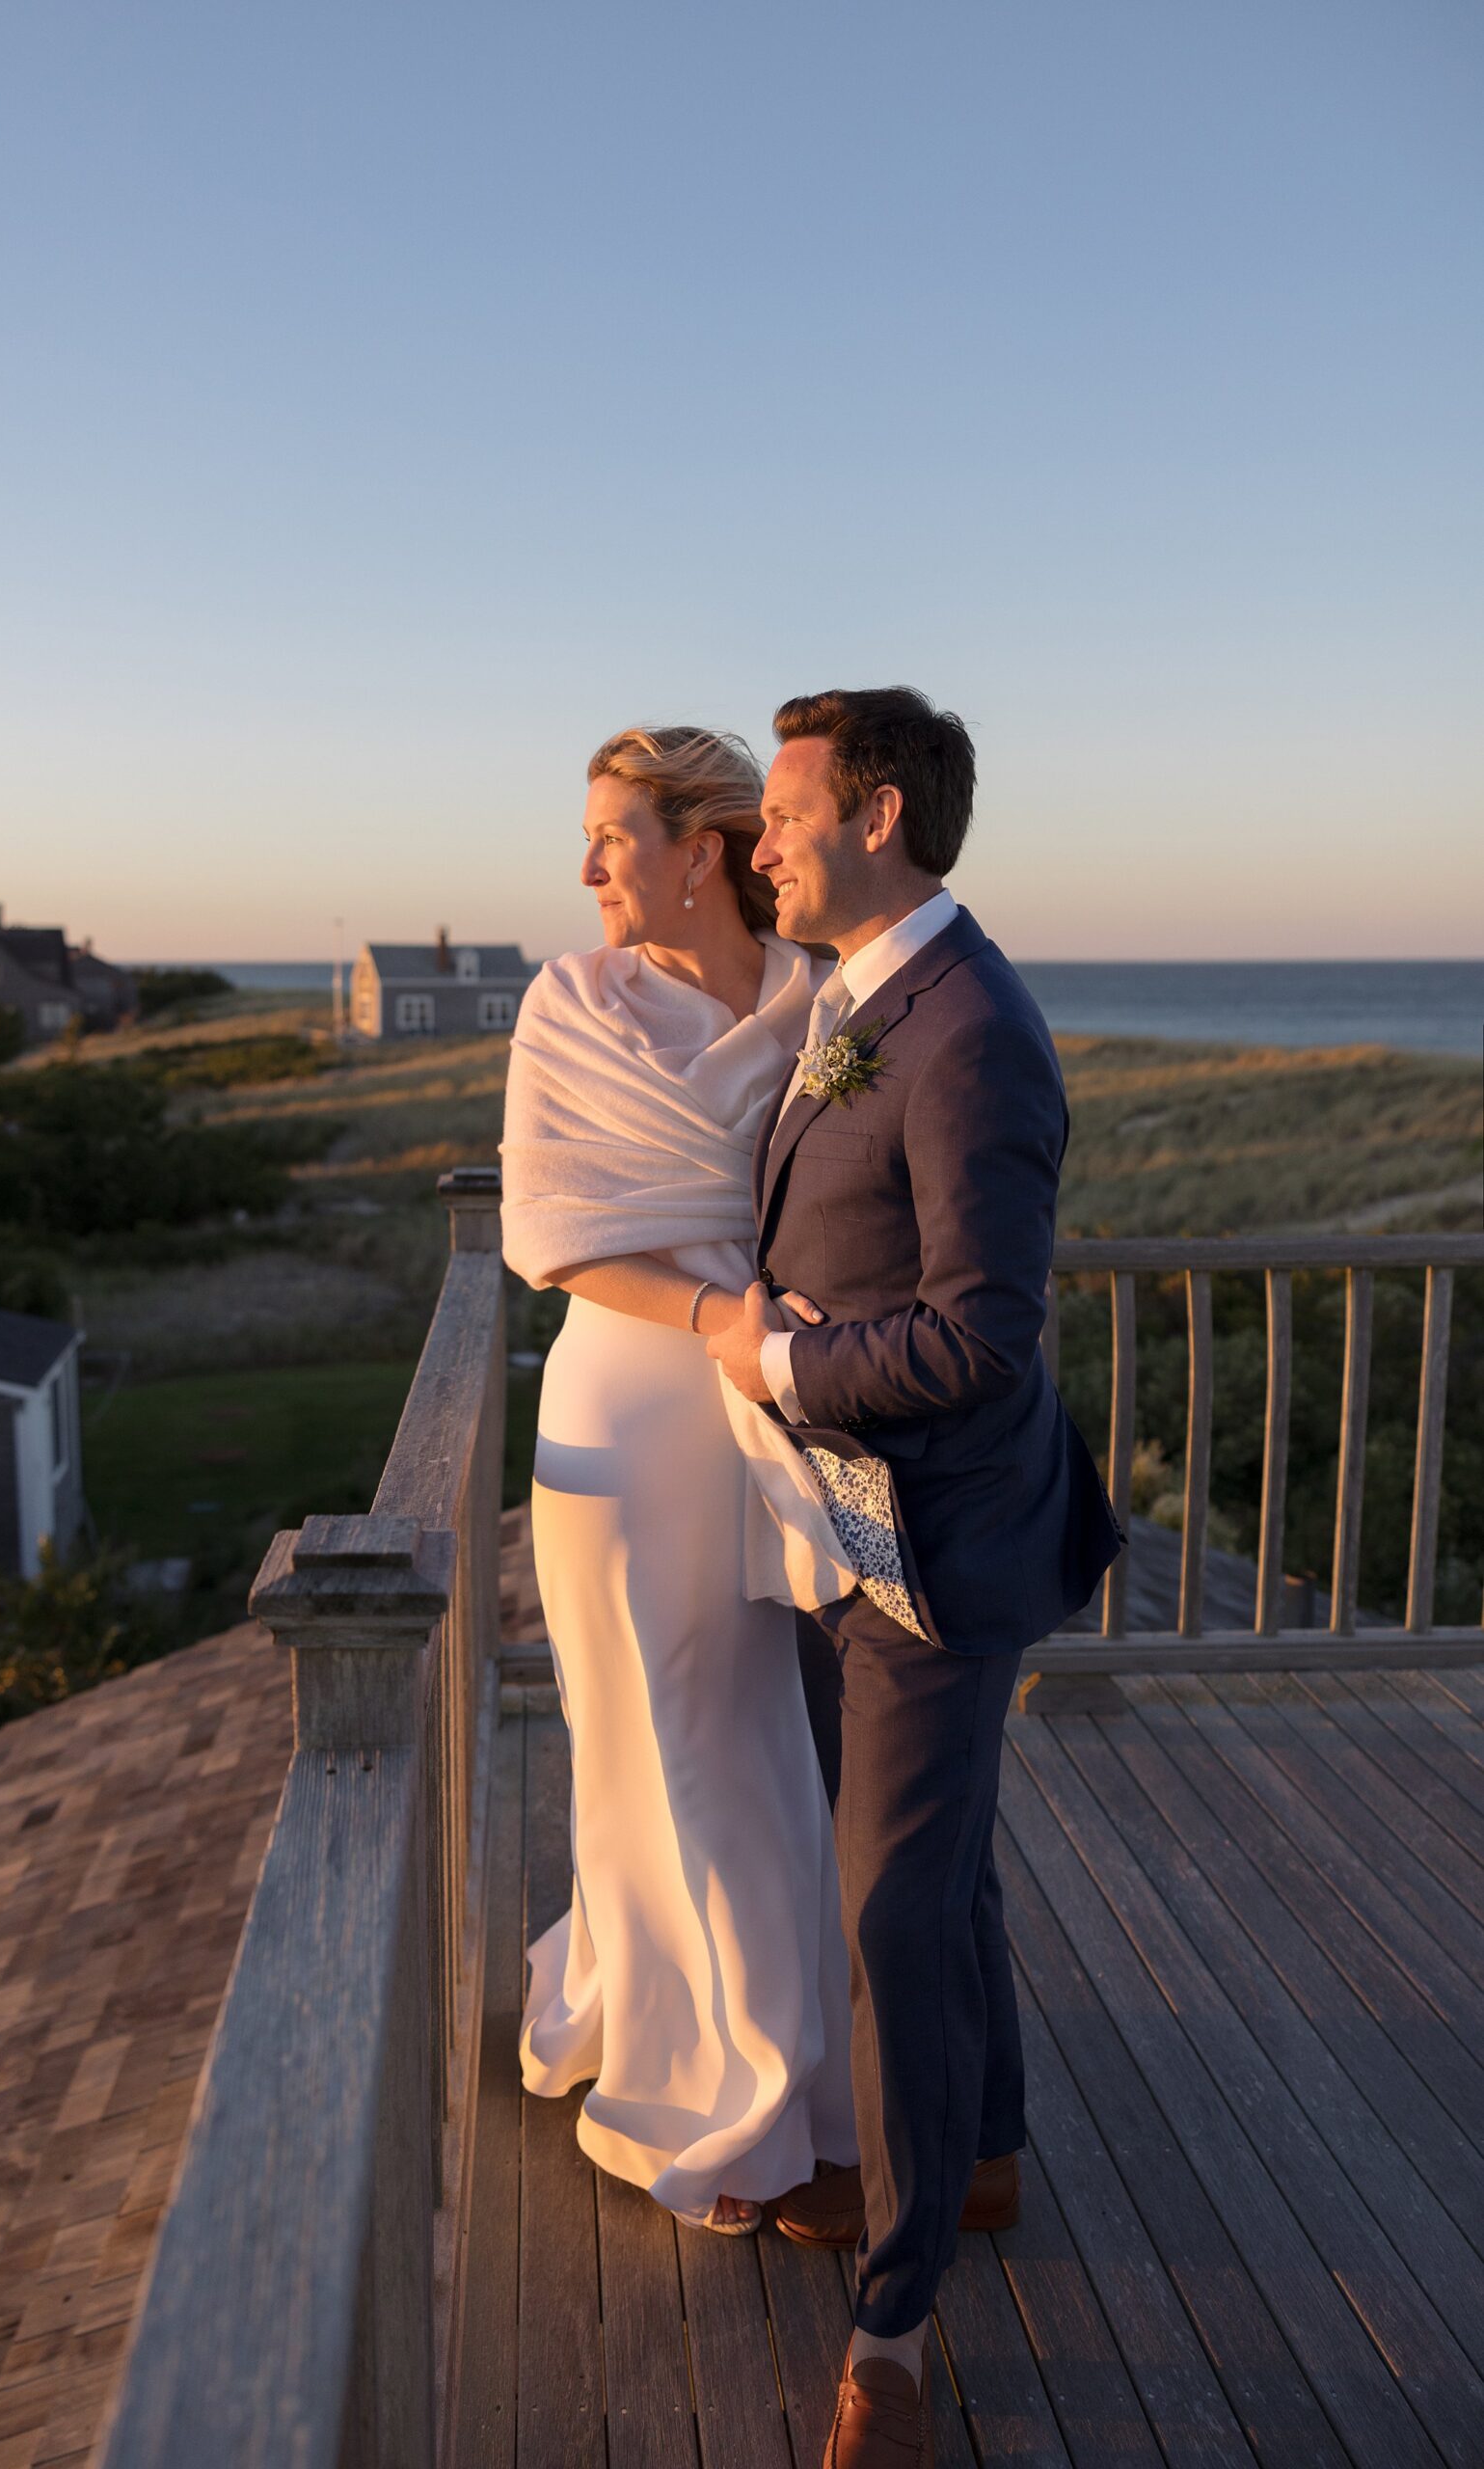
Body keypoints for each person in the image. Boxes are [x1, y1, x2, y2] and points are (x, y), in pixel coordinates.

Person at [709, 688, 1121, 2466]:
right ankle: (989, 2162)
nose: (758, 844)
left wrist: (778, 1367)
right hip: (845, 1520)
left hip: (937, 1546)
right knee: (931, 1879)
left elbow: (983, 1337)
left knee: (891, 1905)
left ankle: (889, 2330)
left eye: (783, 811)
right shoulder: (858, 1000)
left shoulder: (968, 1036)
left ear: (875, 816)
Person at [499, 724, 860, 2235]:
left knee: (743, 1733)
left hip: (772, 1412)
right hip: (628, 1403)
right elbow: (549, 1229)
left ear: (700, 848)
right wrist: (714, 1312)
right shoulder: (568, 1000)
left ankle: (777, 2068)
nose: (586, 868)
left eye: (612, 836)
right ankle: (692, 2074)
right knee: (643, 1733)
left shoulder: (817, 1003)